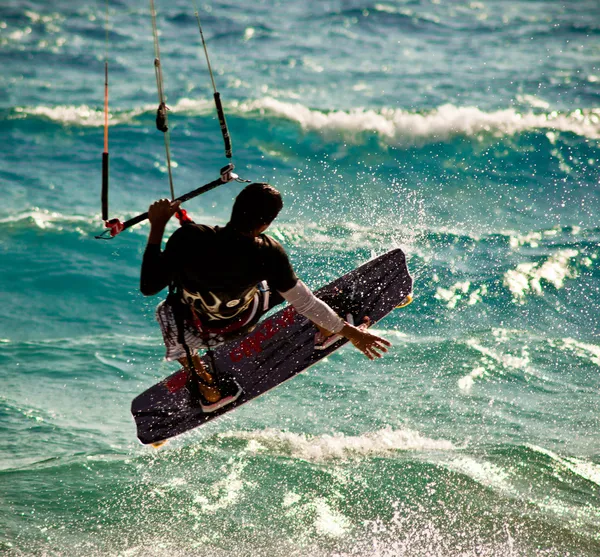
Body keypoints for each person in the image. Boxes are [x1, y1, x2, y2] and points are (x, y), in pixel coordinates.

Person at [140, 182, 391, 412]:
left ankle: (209, 389)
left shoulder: (189, 237)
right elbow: (304, 302)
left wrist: (158, 226)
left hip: (199, 328)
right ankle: (326, 331)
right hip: (241, 322)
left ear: (234, 209)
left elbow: (149, 286)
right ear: (264, 224)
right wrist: (352, 333)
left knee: (166, 311)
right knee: (286, 287)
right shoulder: (268, 253)